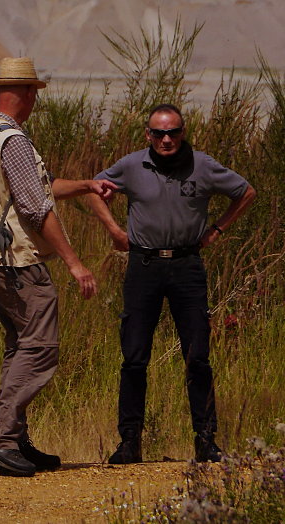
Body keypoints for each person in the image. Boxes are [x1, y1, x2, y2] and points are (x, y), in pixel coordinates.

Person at [0, 57, 117, 477]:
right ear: (28, 92)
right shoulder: (12, 140)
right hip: (21, 263)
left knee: (21, 346)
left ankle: (14, 439)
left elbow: (41, 187)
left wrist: (86, 184)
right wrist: (75, 263)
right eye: (34, 92)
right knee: (40, 347)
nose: (35, 100)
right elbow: (36, 208)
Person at [88, 104, 256, 464]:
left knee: (198, 356)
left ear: (183, 133)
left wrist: (217, 230)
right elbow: (93, 189)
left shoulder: (204, 165)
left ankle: (206, 441)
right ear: (148, 135)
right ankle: (129, 442)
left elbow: (246, 192)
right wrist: (115, 230)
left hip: (186, 266)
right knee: (134, 357)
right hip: (143, 266)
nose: (167, 139)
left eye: (173, 132)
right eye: (159, 133)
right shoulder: (132, 165)